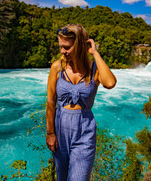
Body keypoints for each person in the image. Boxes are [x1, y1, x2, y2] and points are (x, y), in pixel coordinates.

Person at [46, 24, 117, 181]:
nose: (62, 51)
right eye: (61, 47)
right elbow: (51, 101)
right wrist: (50, 133)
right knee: (61, 178)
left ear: (79, 46)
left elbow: (110, 83)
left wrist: (95, 54)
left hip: (84, 132)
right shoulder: (56, 68)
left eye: (67, 47)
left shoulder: (94, 70)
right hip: (60, 131)